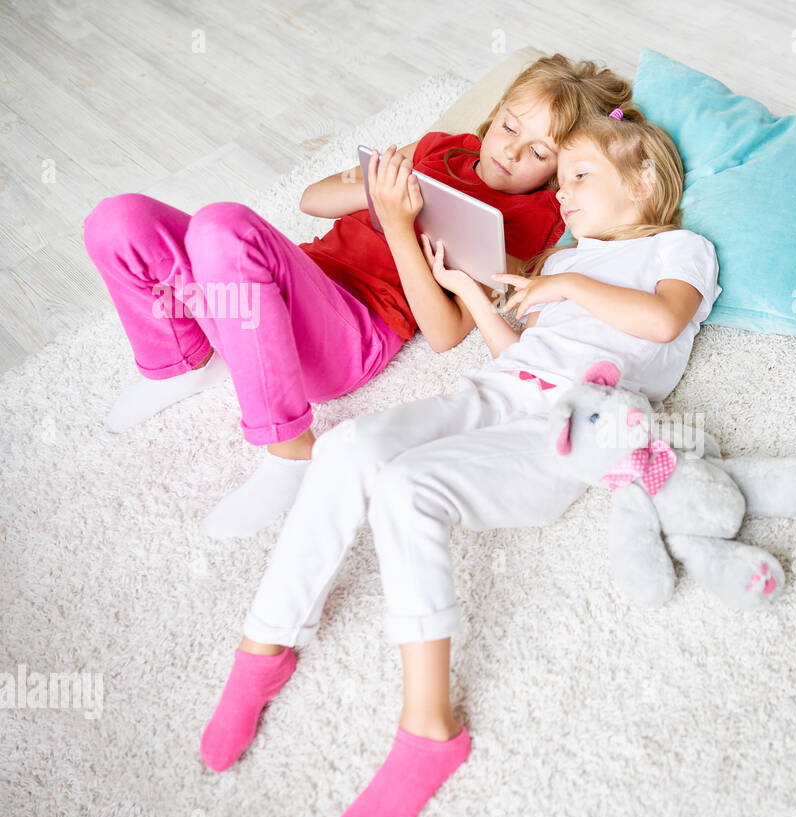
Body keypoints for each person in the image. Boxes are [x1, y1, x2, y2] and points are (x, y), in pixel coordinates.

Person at [199, 105, 722, 817]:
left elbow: (664, 321)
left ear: (644, 182)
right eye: (561, 180)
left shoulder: (680, 248)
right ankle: (263, 647)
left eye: (579, 176)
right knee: (348, 447)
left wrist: (562, 291)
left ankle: (429, 727)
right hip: (504, 389)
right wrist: (475, 292)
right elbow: (517, 350)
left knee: (411, 488)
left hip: (575, 422)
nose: (563, 194)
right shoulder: (568, 262)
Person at [82, 53, 631, 538]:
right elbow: (311, 200)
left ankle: (291, 452)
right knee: (120, 219)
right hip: (283, 285)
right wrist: (376, 184)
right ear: (497, 111)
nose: (511, 151)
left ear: (558, 171)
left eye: (538, 153)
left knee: (222, 226)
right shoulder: (442, 148)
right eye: (509, 125)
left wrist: (399, 224)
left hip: (351, 331)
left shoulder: (523, 219)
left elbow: (444, 333)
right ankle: (180, 361)